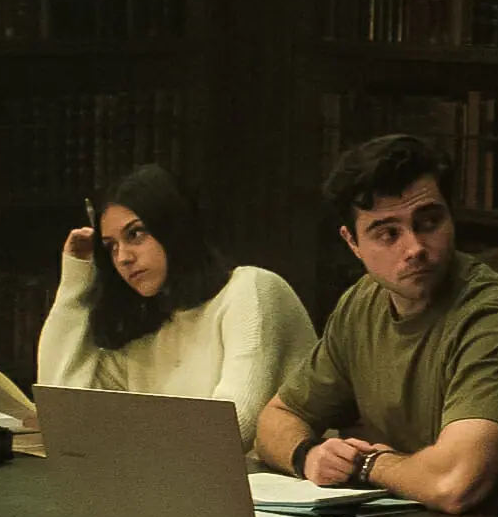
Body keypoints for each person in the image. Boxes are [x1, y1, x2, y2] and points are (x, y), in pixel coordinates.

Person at [254, 134, 498, 517]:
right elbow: (277, 419)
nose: (414, 247)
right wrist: (309, 456)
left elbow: (456, 485)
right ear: (352, 243)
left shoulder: (495, 319)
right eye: (387, 234)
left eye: (429, 222)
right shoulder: (362, 302)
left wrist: (366, 464)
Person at [37, 163, 315, 449]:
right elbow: (65, 416)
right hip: (187, 486)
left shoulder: (252, 289)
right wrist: (75, 281)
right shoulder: (150, 332)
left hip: (289, 487)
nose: (123, 258)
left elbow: (232, 428)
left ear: (174, 229)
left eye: (135, 234)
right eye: (111, 247)